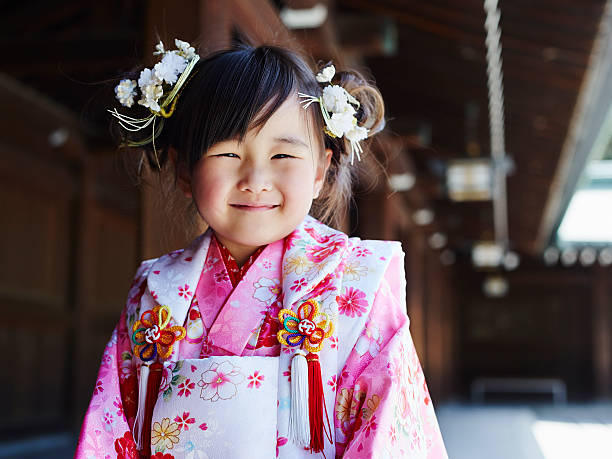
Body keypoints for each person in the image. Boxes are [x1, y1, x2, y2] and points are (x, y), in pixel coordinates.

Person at [76, 39, 447, 459]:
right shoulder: (154, 289)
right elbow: (114, 429)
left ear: (320, 170)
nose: (255, 178)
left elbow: (385, 432)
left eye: (283, 154)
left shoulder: (359, 281)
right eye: (228, 152)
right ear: (183, 169)